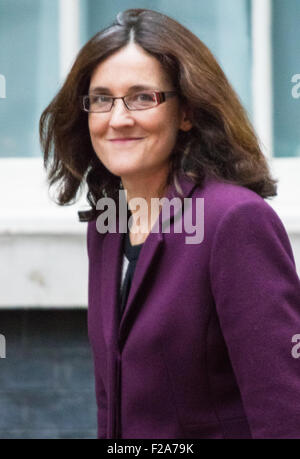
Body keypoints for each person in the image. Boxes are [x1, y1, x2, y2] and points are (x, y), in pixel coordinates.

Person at [39, 8, 300, 439]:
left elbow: (284, 414)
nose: (118, 118)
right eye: (101, 98)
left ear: (186, 113)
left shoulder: (234, 221)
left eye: (143, 97)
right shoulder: (107, 225)